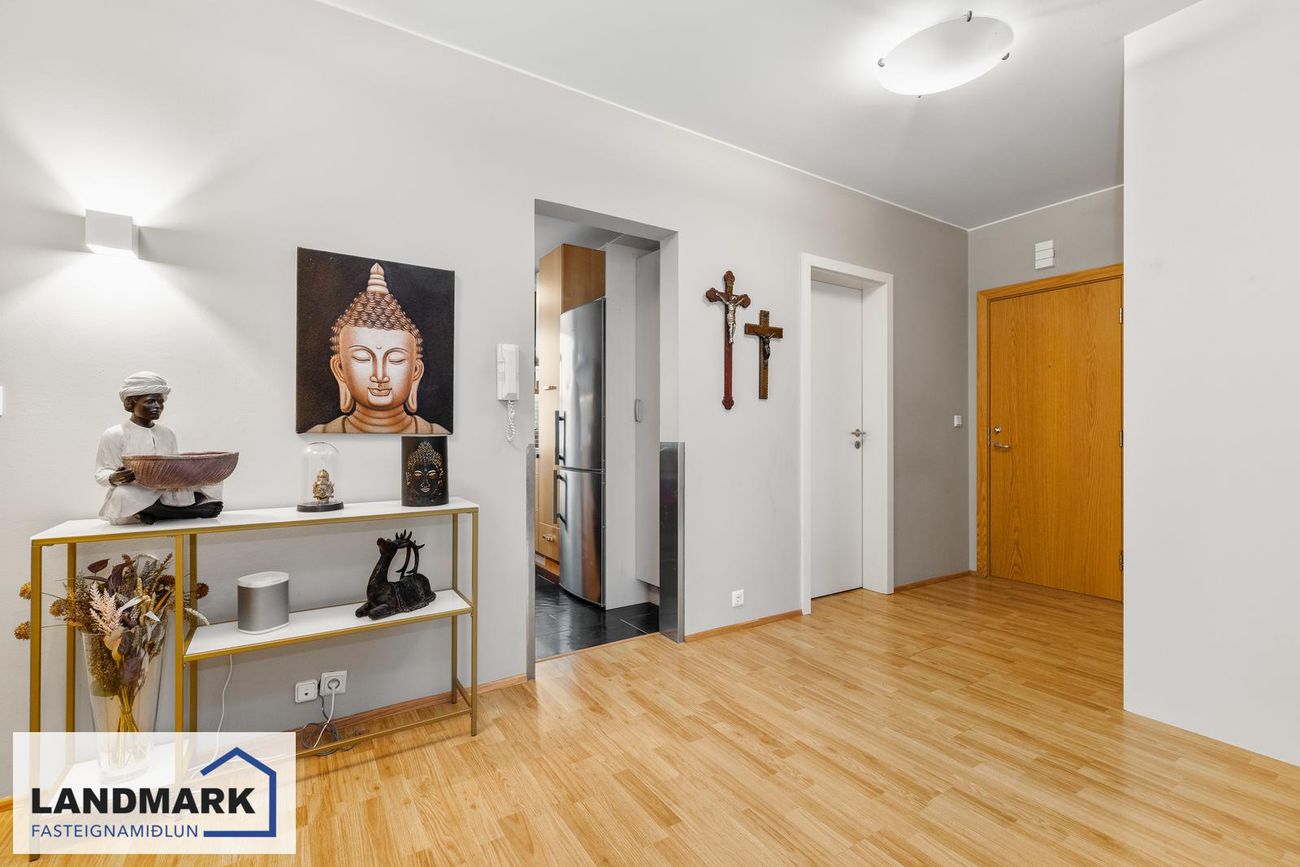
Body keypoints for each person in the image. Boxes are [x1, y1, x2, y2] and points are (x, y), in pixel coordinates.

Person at [308, 263, 449, 434]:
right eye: (362, 357)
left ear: (415, 371)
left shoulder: (434, 432)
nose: (380, 376)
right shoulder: (322, 433)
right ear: (340, 369)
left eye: (396, 359)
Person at [95, 371, 224, 524]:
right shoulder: (114, 434)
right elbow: (102, 472)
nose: (158, 406)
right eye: (150, 401)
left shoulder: (167, 434)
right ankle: (187, 512)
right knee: (123, 494)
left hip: (165, 489)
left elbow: (174, 467)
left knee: (214, 484)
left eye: (160, 402)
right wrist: (114, 477)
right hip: (137, 489)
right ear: (130, 403)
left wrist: (192, 473)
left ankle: (154, 512)